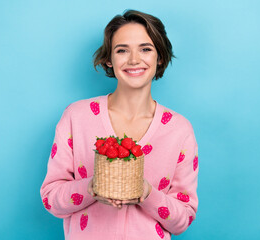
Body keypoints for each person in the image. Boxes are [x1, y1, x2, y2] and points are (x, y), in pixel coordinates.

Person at [40, 9, 199, 240]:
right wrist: (92, 187)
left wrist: (147, 193)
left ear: (160, 56)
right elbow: (50, 199)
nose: (134, 59)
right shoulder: (77, 117)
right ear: (109, 59)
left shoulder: (179, 131)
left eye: (146, 49)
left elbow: (183, 219)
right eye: (122, 50)